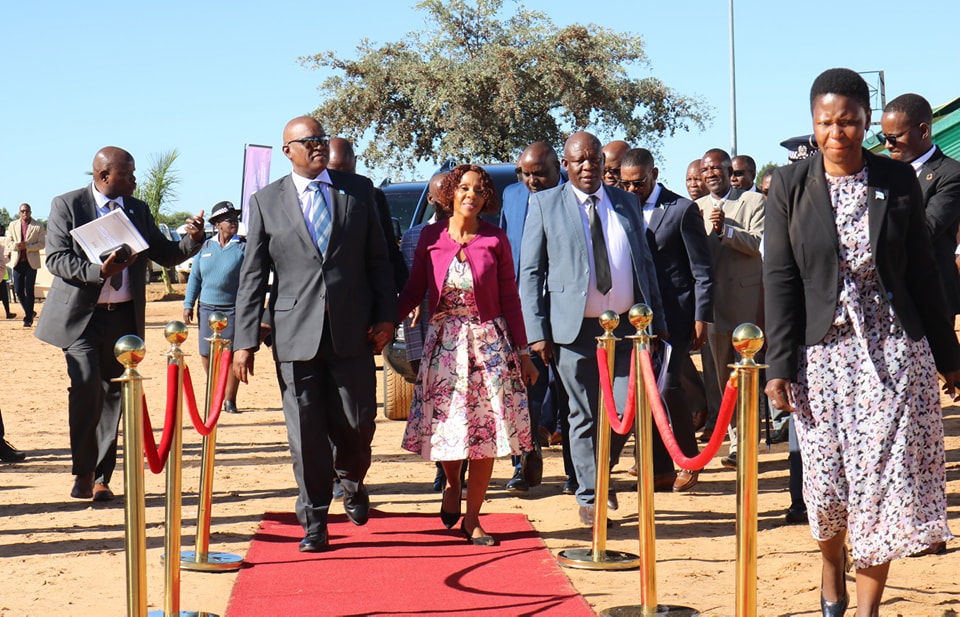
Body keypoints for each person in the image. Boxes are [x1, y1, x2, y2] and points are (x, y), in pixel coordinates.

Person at [764, 68, 960, 616]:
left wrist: (950, 356)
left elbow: (922, 272)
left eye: (848, 121)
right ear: (813, 122)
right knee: (825, 487)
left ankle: (867, 609)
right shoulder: (789, 185)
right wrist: (780, 364)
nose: (836, 133)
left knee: (881, 483)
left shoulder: (896, 181)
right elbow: (779, 276)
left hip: (893, 352)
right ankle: (832, 567)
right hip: (820, 358)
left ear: (866, 121)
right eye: (825, 122)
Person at [233, 116, 397, 553]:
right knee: (305, 432)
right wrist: (243, 340)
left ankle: (352, 478)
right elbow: (253, 275)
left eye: (322, 139)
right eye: (309, 142)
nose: (318, 147)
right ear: (288, 150)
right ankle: (315, 519)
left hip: (353, 331)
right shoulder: (266, 200)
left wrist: (387, 317)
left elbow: (379, 261)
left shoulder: (359, 191)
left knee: (358, 422)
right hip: (293, 335)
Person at [37, 146, 204, 502]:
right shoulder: (68, 205)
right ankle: (82, 471)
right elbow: (56, 260)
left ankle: (100, 477)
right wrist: (99, 272)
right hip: (82, 318)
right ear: (104, 177)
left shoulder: (137, 210)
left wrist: (192, 240)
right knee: (87, 388)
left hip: (124, 318)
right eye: (127, 174)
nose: (134, 180)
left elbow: (165, 252)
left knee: (114, 394)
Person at [519, 131, 665, 527]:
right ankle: (591, 494)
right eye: (578, 160)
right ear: (565, 166)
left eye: (593, 159)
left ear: (604, 162)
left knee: (625, 410)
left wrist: (657, 326)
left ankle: (602, 468)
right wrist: (537, 332)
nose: (587, 166)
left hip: (626, 329)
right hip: (572, 331)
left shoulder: (626, 202)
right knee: (582, 414)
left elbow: (645, 267)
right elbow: (530, 273)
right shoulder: (545, 204)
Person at [398, 164, 537, 546]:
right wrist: (382, 322)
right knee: (448, 428)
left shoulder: (496, 240)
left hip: (489, 344)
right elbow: (413, 291)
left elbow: (510, 298)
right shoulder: (430, 237)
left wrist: (522, 353)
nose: (470, 195)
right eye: (463, 188)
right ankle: (452, 483)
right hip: (443, 346)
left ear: (486, 197)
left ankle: (472, 517)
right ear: (450, 194)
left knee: (486, 433)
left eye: (478, 190)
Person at [619, 148, 712, 492]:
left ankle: (690, 458)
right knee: (646, 395)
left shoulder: (681, 210)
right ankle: (659, 470)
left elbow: (703, 271)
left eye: (638, 183)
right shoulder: (620, 208)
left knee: (668, 387)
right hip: (636, 320)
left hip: (676, 315)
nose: (631, 190)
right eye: (626, 184)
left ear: (654, 174)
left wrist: (702, 318)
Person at [499, 142, 570, 494]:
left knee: (571, 394)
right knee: (521, 392)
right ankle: (523, 463)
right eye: (525, 174)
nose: (531, 181)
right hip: (522, 310)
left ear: (559, 167)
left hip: (567, 309)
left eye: (538, 174)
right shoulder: (512, 196)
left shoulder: (573, 196)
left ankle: (575, 472)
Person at [695, 148, 765, 469]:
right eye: (705, 169)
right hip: (712, 309)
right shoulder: (695, 209)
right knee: (723, 380)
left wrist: (727, 231)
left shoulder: (754, 203)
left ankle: (744, 445)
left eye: (717, 168)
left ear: (728, 171)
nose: (711, 173)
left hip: (745, 306)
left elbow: (759, 245)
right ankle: (735, 435)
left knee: (747, 377)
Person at [881, 93, 960, 321]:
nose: (887, 145)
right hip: (889, 300)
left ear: (923, 131)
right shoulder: (882, 174)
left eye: (894, 138)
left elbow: (925, 230)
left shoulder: (951, 174)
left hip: (931, 298)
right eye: (883, 137)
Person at [183, 201, 245, 414]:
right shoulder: (205, 247)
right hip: (207, 308)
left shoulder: (243, 247)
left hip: (233, 309)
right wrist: (188, 304)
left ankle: (229, 399)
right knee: (206, 353)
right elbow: (195, 278)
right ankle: (214, 393)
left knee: (230, 354)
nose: (234, 223)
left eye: (236, 219)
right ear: (218, 224)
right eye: (229, 220)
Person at [328, 137, 408, 291]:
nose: (343, 180)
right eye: (335, 173)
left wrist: (405, 290)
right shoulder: (314, 199)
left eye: (348, 172)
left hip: (363, 295)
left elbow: (389, 250)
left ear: (355, 162)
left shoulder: (373, 196)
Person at [5, 203, 45, 327]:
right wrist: (17, 246)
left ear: (30, 212)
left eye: (27, 211)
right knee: (18, 290)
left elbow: (42, 244)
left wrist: (27, 246)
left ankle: (28, 318)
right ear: (19, 213)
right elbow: (8, 241)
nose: (25, 213)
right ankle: (30, 312)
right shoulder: (13, 225)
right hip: (17, 262)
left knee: (29, 290)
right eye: (22, 211)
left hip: (31, 262)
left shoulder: (38, 226)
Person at [0, 228, 16, 319]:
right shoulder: (3, 244)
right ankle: (8, 313)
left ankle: (8, 313)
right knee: (4, 295)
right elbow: (5, 259)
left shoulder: (3, 244)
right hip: (1, 273)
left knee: (4, 294)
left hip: (2, 273)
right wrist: (8, 256)